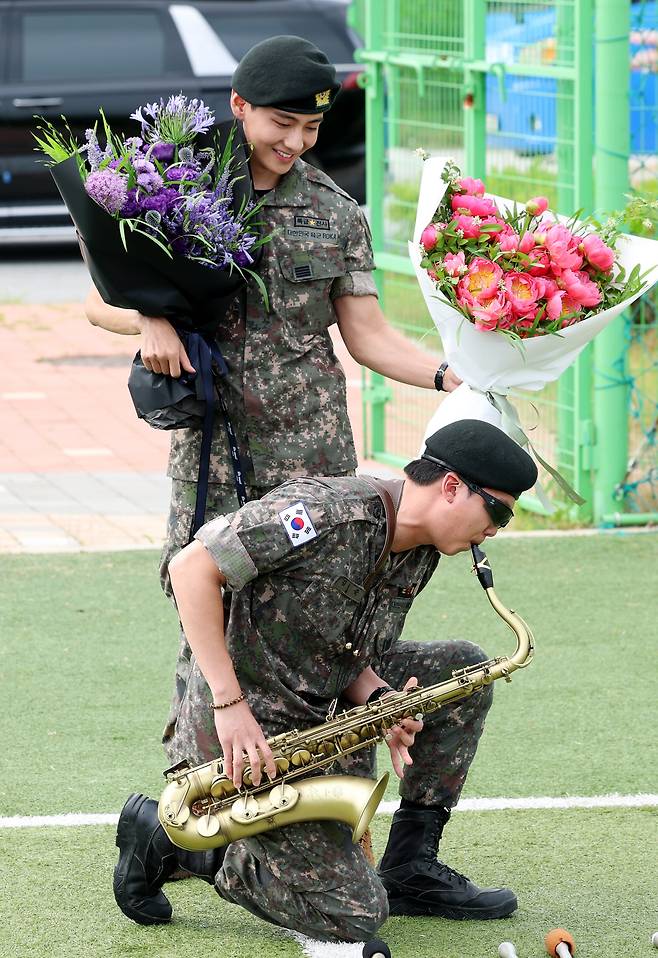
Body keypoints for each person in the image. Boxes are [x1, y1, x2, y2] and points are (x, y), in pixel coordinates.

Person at [85, 35, 461, 767]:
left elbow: (368, 335)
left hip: (311, 453)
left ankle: (316, 774)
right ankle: (195, 783)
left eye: (312, 129)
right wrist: (153, 318)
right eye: (281, 124)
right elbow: (98, 304)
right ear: (239, 106)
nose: (295, 141)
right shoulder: (175, 188)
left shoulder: (334, 211)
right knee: (207, 600)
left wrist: (451, 377)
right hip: (214, 449)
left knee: (313, 609)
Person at [113, 419, 538, 942]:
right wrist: (228, 702)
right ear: (452, 487)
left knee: (462, 669)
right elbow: (191, 568)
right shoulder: (324, 514)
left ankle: (409, 866)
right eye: (496, 511)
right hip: (241, 720)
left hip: (316, 704)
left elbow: (335, 645)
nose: (496, 528)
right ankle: (176, 843)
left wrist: (381, 700)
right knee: (357, 915)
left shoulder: (424, 548)